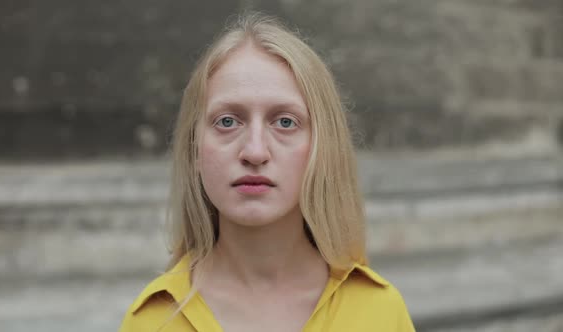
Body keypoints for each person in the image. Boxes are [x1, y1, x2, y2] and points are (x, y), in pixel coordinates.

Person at [120, 12, 415, 332]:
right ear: (194, 149)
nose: (255, 152)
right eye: (228, 122)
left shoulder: (379, 312)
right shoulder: (152, 321)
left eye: (285, 122)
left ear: (322, 147)